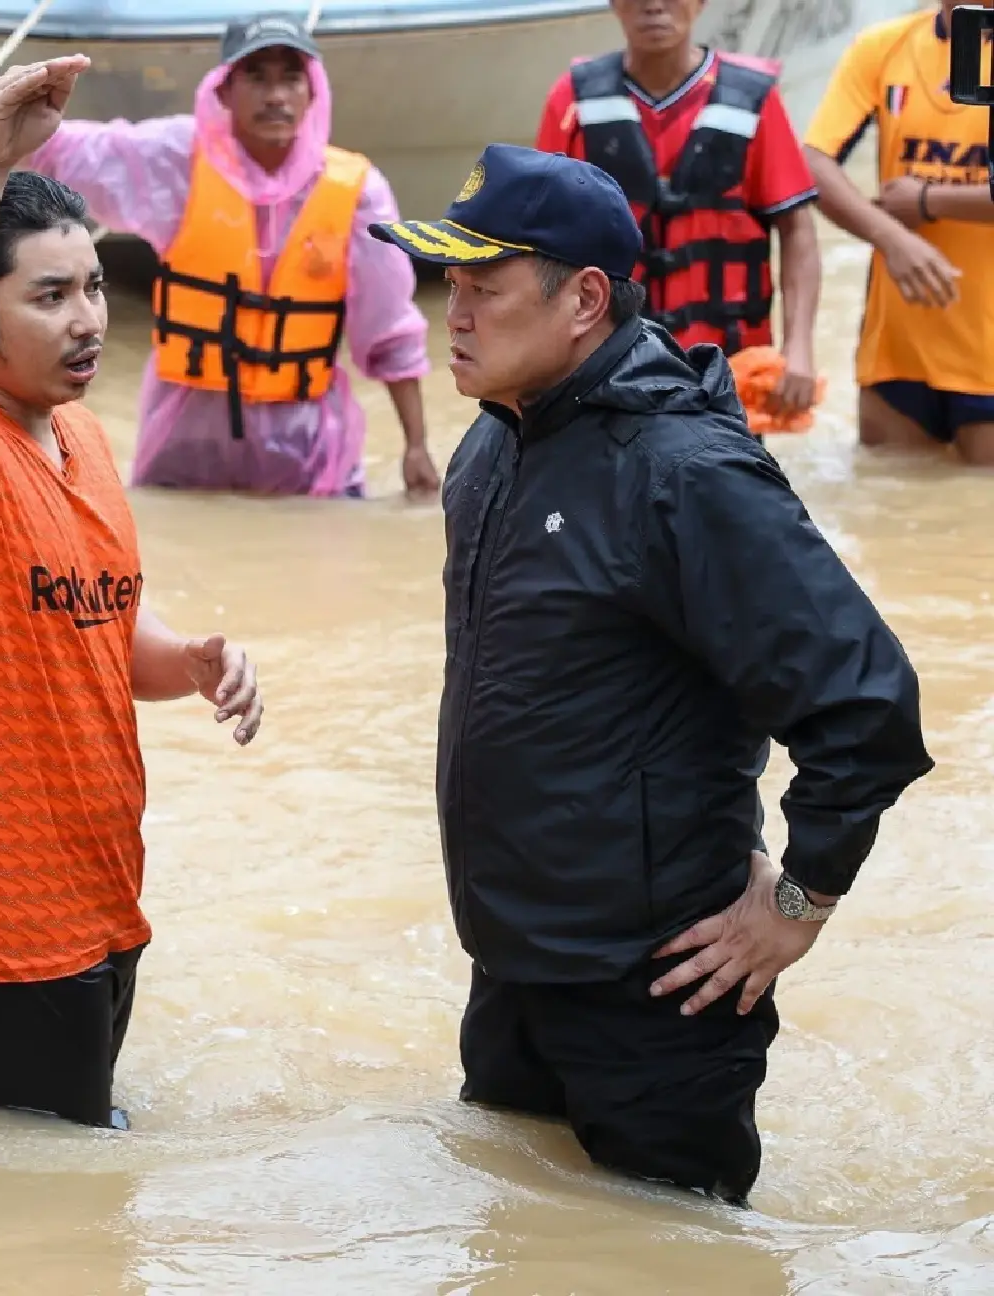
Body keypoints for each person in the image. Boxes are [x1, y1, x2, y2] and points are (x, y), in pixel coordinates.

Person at [370, 143, 933, 1205]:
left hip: (659, 991)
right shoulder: (495, 443)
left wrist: (800, 900)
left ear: (584, 298)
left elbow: (866, 707)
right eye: (450, 284)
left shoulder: (684, 474)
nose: (454, 313)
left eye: (484, 287)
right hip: (515, 966)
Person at [0, 55, 264, 1130]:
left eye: (93, 286)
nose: (88, 317)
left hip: (95, 912)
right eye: (49, 296)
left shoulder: (83, 434)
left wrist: (190, 661)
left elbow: (92, 616)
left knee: (76, 1218)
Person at [0, 14, 440, 499]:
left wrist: (416, 445)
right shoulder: (179, 159)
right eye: (256, 76)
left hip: (305, 438)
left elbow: (390, 330)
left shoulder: (358, 192)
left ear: (312, 92)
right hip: (187, 427)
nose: (275, 94)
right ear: (225, 91)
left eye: (290, 77)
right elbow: (69, 148)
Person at [534, 0, 821, 423]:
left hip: (727, 373)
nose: (654, 6)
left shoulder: (753, 99)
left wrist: (799, 349)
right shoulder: (572, 100)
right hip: (607, 373)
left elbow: (796, 229)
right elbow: (537, 242)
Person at [802, 1, 994, 466]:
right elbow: (811, 163)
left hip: (987, 358)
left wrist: (929, 200)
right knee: (891, 505)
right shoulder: (883, 45)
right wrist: (891, 237)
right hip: (897, 351)